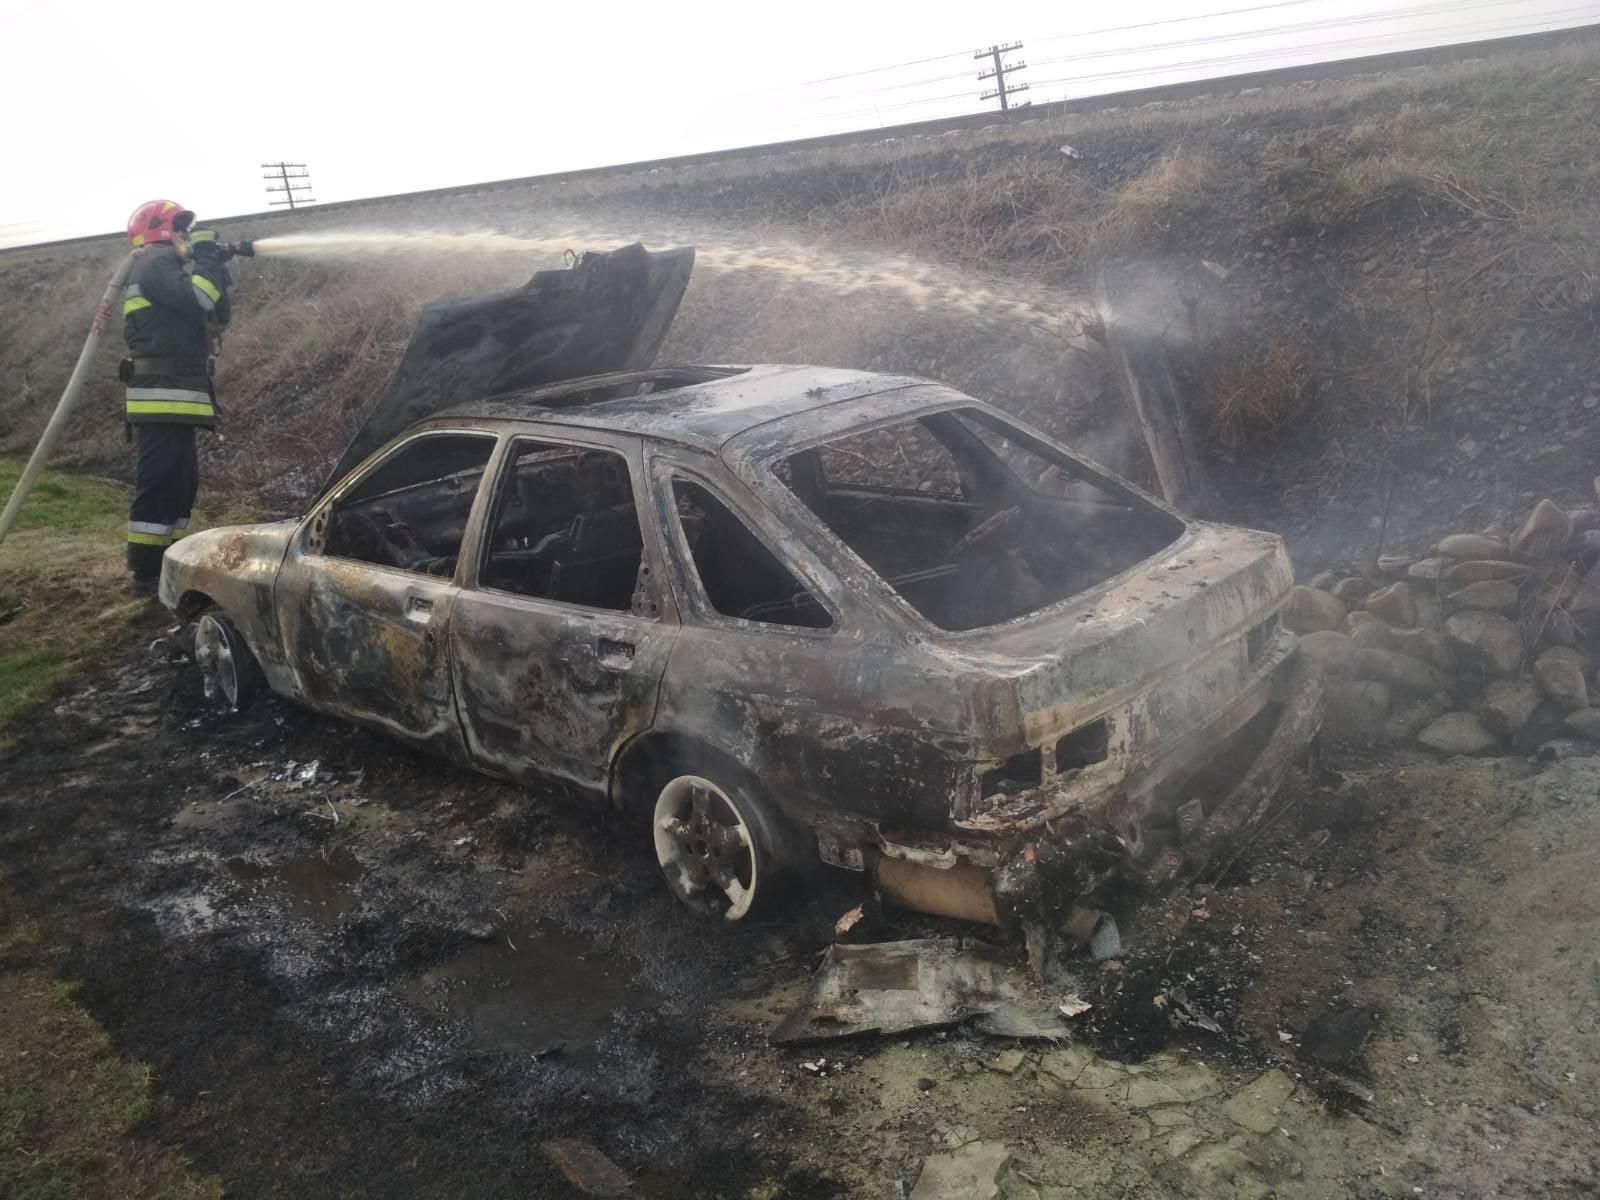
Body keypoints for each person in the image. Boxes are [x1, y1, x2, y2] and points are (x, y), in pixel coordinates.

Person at [120, 199, 232, 595]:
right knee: (161, 481)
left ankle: (169, 559)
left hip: (178, 395)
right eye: (181, 228)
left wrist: (214, 264)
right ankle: (147, 574)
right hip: (161, 395)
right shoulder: (154, 263)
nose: (186, 236)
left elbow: (215, 313)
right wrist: (203, 256)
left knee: (182, 483)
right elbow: (198, 299)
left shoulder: (170, 268)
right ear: (161, 230)